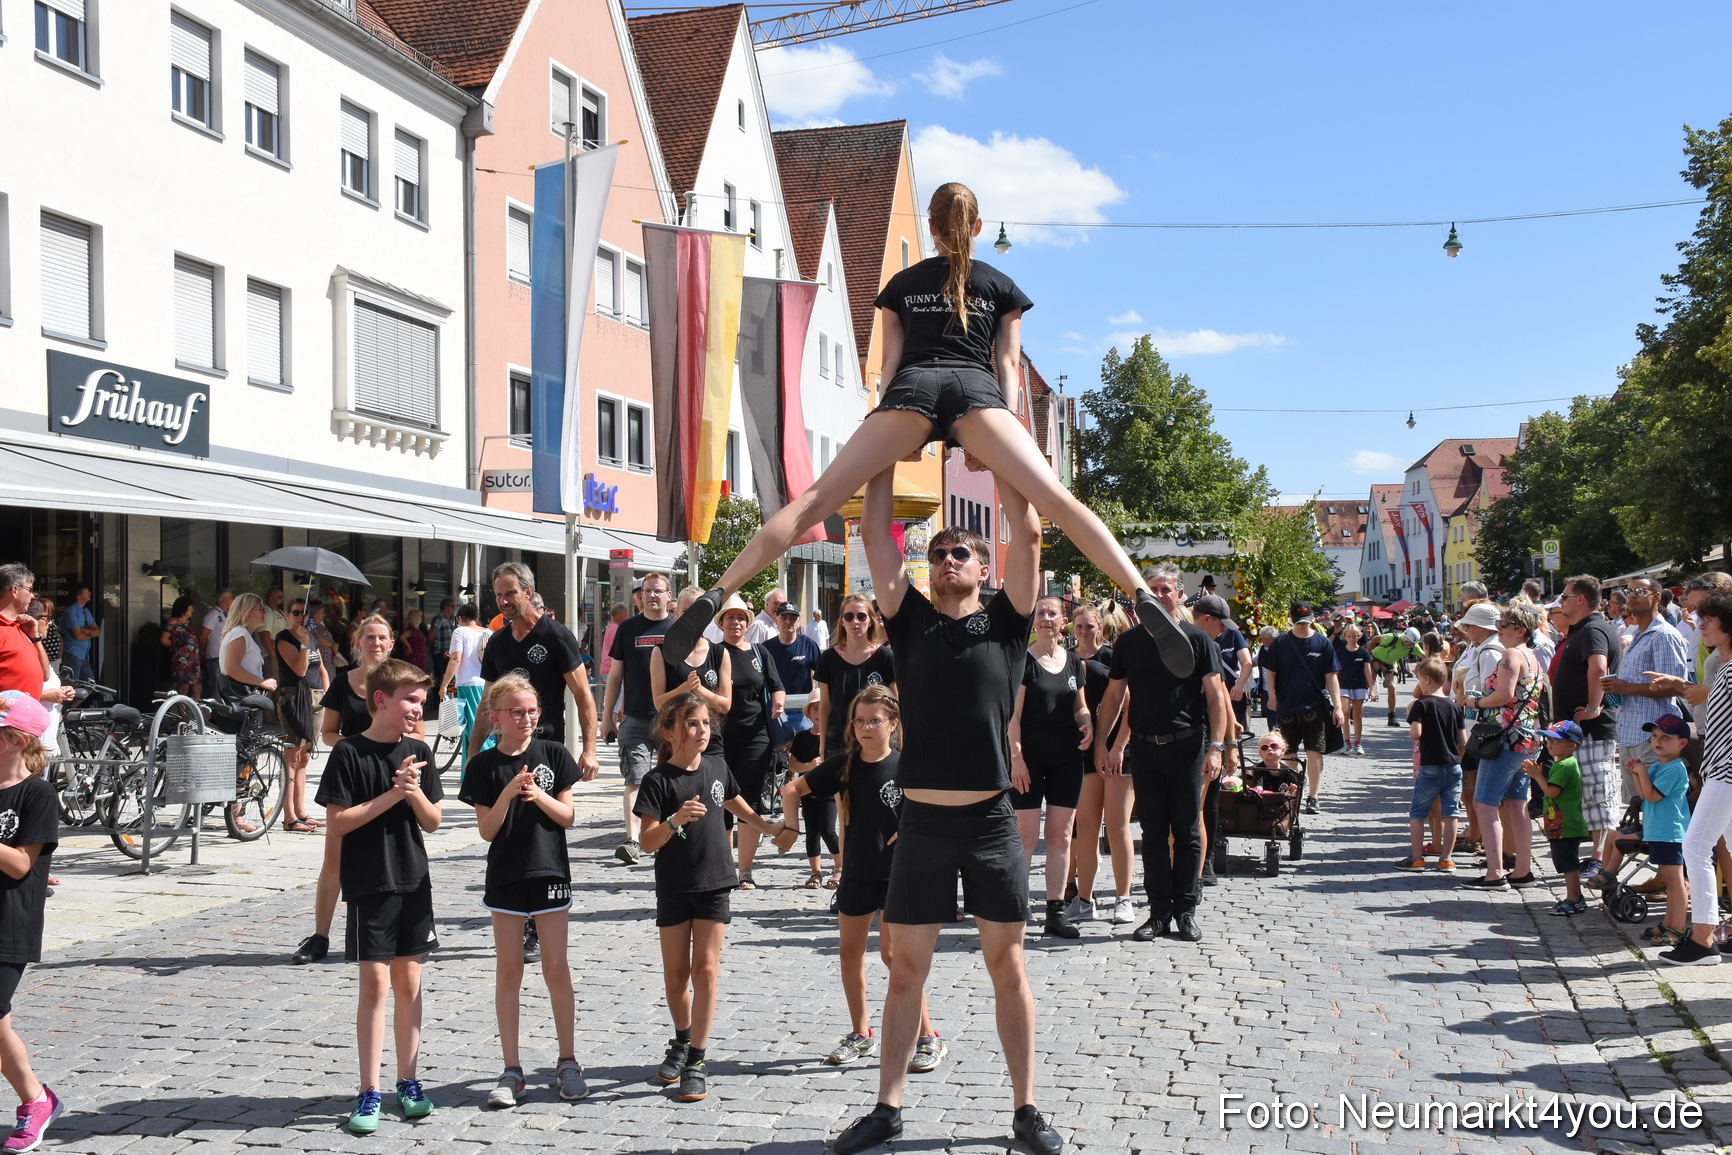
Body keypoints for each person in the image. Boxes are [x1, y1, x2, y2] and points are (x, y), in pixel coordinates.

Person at [659, 181, 1193, 689]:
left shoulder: (901, 286)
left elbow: (889, 365)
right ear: (978, 227)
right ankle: (1140, 593)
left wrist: (884, 428)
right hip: (976, 392)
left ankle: (717, 593)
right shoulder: (1000, 286)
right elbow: (1008, 365)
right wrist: (1002, 430)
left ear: (930, 228)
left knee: (813, 502)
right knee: (1057, 501)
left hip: (910, 390)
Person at [829, 467, 1062, 1155]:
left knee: (1007, 966)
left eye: (961, 552)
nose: (948, 560)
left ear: (984, 568)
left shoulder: (1009, 623)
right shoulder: (910, 622)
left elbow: (1030, 533)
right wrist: (884, 458)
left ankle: (1025, 1109)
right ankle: (887, 1108)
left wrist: (1004, 464)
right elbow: (877, 535)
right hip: (923, 825)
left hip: (991, 821)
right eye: (937, 553)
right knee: (905, 970)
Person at [780, 685, 945, 1070]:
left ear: (893, 723)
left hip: (897, 874)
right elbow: (792, 789)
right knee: (849, 952)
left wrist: (912, 828)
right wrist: (789, 827)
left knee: (894, 955)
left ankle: (928, 1036)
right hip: (855, 873)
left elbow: (937, 808)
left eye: (875, 720)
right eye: (859, 721)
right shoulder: (843, 765)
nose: (866, 728)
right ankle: (861, 1032)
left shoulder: (908, 765)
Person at [635, 692, 787, 1103]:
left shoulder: (718, 766)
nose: (701, 730)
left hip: (716, 880)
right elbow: (646, 842)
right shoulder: (658, 781)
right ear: (669, 732)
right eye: (691, 723)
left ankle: (697, 1060)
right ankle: (682, 1039)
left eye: (705, 723)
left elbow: (736, 802)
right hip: (674, 885)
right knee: (675, 976)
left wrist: (767, 827)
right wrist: (674, 820)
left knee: (705, 970)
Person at [313, 660, 442, 1134]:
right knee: (375, 985)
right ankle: (369, 1090)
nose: (418, 709)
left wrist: (413, 792)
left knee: (409, 984)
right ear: (381, 699)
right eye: (410, 700)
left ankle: (408, 1080)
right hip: (369, 881)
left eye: (422, 702)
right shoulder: (349, 752)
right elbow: (338, 823)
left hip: (413, 879)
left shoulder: (419, 750)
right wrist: (392, 794)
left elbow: (433, 821)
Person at [459, 673, 589, 1107]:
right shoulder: (483, 766)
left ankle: (568, 1061)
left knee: (556, 967)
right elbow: (486, 829)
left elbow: (567, 817)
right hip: (506, 874)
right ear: (496, 717)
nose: (527, 718)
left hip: (550, 870)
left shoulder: (553, 753)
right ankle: (512, 1069)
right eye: (516, 711)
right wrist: (509, 794)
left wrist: (538, 795)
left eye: (532, 711)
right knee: (509, 968)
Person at [1093, 563, 1226, 945]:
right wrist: (1102, 743)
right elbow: (1114, 696)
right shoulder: (1129, 642)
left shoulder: (1197, 639)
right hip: (1145, 748)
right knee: (1151, 834)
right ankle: (1158, 913)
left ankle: (1186, 911)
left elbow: (1216, 698)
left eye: (1167, 589)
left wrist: (1217, 747)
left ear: (1180, 595)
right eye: (1153, 589)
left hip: (1187, 747)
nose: (1160, 595)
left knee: (1186, 832)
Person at [292, 615, 425, 967]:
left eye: (382, 637)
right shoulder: (344, 682)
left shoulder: (406, 681)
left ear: (392, 643)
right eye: (369, 637)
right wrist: (357, 748)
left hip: (394, 774)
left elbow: (419, 734)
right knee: (334, 858)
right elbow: (328, 733)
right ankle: (320, 935)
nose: (376, 643)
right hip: (352, 774)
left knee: (393, 853)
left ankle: (394, 932)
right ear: (357, 642)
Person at [1654, 591, 1732, 965]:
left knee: (1696, 846)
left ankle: (1702, 939)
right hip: (1720, 769)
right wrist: (1681, 686)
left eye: (1708, 620)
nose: (1700, 626)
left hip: (1726, 772)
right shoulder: (1725, 667)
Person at [0, 692, 63, 1153]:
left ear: (16, 740)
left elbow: (22, 864)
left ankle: (36, 1100)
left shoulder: (37, 794)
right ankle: (37, 1100)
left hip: (9, 923)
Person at [1008, 596, 1092, 938]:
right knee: (1026, 837)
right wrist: (1016, 759)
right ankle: (1016, 908)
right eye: (1040, 612)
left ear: (1063, 622)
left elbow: (1080, 707)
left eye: (1052, 613)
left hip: (1067, 759)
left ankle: (1055, 910)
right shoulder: (1023, 661)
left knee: (1060, 834)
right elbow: (1012, 717)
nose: (1045, 618)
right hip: (1029, 761)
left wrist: (1087, 723)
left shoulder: (1073, 662)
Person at [473, 563, 599, 777]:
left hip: (546, 747)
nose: (503, 601)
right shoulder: (497, 642)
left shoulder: (557, 636)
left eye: (510, 593)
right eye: (499, 595)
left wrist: (590, 751)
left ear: (528, 591)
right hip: (506, 750)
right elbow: (487, 701)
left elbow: (583, 694)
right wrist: (473, 752)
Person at [812, 594, 898, 887]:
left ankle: (885, 874)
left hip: (880, 744)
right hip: (841, 742)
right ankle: (846, 873)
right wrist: (822, 747)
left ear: (871, 620)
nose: (855, 622)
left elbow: (897, 703)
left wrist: (901, 741)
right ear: (842, 621)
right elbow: (825, 705)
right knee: (846, 812)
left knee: (882, 809)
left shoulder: (885, 657)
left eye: (862, 616)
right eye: (849, 616)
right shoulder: (829, 657)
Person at [1460, 604, 1543, 891]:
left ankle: (1495, 873)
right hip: (1526, 739)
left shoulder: (1511, 655)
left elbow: (1504, 695)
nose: (1498, 629)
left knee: (1484, 804)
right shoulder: (1532, 656)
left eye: (1503, 624)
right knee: (1517, 805)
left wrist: (1476, 702)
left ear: (1520, 630)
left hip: (1505, 739)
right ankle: (1523, 871)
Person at [1068, 601, 1136, 926]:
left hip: (1117, 749)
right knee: (1086, 827)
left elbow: (1129, 705)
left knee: (1118, 824)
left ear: (1100, 627)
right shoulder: (1066, 658)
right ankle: (1084, 899)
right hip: (1083, 751)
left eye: (1089, 626)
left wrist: (1117, 746)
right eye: (1079, 626)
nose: (1084, 631)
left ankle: (1123, 898)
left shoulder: (1111, 656)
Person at [1599, 577, 1688, 822]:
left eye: (1640, 591)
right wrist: (1616, 689)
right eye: (1629, 591)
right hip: (1630, 732)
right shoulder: (1637, 633)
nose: (1632, 595)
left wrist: (1626, 687)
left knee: (1656, 806)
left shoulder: (1663, 635)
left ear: (1656, 597)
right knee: (1637, 807)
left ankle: (1661, 847)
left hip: (1654, 736)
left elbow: (1676, 687)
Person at [601, 572, 673, 864]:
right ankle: (632, 841)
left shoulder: (678, 628)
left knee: (671, 779)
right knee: (635, 779)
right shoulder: (628, 628)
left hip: (671, 718)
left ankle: (669, 836)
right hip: (635, 717)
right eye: (647, 591)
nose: (652, 595)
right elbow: (615, 675)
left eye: (658, 591)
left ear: (668, 595)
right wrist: (607, 716)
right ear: (640, 596)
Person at [1551, 575, 1624, 863]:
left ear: (1580, 599)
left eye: (1565, 596)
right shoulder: (1583, 629)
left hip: (1592, 729)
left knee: (1598, 792)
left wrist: (1594, 706)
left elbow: (1599, 667)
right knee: (1589, 793)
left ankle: (1600, 859)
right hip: (1580, 730)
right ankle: (1597, 857)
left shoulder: (1593, 629)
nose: (1561, 602)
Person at [715, 596, 785, 888]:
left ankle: (745, 870)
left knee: (749, 799)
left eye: (741, 618)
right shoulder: (714, 653)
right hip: (719, 737)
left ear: (748, 623)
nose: (736, 622)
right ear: (721, 623)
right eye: (730, 617)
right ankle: (722, 870)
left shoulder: (759, 652)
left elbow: (777, 686)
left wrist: (778, 703)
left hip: (756, 736)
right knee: (720, 801)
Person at [1616, 714, 1691, 945]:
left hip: (1671, 833)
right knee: (1669, 881)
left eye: (1665, 737)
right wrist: (1637, 773)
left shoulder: (1675, 768)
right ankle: (1668, 924)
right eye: (1654, 736)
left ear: (1682, 743)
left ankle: (1677, 928)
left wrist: (1642, 771)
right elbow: (1643, 795)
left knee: (1675, 882)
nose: (1657, 741)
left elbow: (1652, 796)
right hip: (1659, 831)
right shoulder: (1660, 765)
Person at [1261, 603, 1342, 814]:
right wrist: (1272, 695)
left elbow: (1331, 676)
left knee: (1314, 752)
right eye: (1298, 622)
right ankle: (1296, 784)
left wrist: (1338, 707)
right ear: (1291, 620)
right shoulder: (1281, 642)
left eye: (1305, 622)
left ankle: (1313, 797)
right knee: (1289, 754)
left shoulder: (1323, 643)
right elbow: (1270, 671)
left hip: (1314, 706)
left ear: (1313, 618)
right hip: (1286, 706)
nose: (1301, 626)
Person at [1398, 658, 1464, 872]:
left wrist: (1415, 729)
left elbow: (1415, 733)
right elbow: (1463, 739)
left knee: (1417, 813)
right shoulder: (1454, 707)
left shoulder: (1421, 705)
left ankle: (1417, 858)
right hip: (1453, 766)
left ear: (1427, 679)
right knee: (1451, 813)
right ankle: (1447, 859)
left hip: (1430, 766)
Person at [1522, 721, 1589, 917]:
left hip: (1565, 824)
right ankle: (1575, 897)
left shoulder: (1564, 765)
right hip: (1563, 823)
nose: (1550, 744)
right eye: (1549, 740)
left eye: (1556, 741)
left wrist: (1536, 776)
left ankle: (1573, 899)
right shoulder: (1565, 763)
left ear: (1572, 745)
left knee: (1568, 864)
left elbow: (1552, 791)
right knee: (1568, 862)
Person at [276, 598, 320, 834]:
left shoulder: (311, 638)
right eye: (296, 612)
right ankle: (289, 816)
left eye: (305, 613)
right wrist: (303, 644)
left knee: (304, 758)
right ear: (287, 614)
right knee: (291, 758)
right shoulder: (284, 638)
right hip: (295, 698)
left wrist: (327, 695)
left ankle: (301, 811)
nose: (301, 617)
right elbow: (299, 670)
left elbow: (320, 668)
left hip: (315, 698)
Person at [441, 605, 490, 758]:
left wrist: (444, 684)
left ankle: (485, 764)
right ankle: (468, 768)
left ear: (459, 618)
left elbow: (456, 659)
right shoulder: (489, 632)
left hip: (468, 683)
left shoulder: (460, 631)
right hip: (487, 683)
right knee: (476, 728)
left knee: (475, 729)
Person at [0, 568, 44, 702]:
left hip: (30, 713)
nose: (32, 596)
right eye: (29, 590)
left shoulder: (22, 626)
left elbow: (46, 674)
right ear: (14, 590)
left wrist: (35, 638)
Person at [1334, 624, 1375, 755]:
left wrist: (1372, 689)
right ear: (1345, 637)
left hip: (1359, 685)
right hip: (1343, 684)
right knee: (1345, 712)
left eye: (1355, 636)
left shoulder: (1363, 652)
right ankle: (1347, 743)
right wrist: (1333, 687)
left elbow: (1368, 671)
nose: (1352, 639)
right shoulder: (1340, 652)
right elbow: (1336, 671)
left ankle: (1357, 744)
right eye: (1349, 636)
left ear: (1359, 636)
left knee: (1357, 715)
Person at [1370, 626, 1422, 727]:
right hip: (1375, 658)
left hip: (1390, 664)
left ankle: (1391, 716)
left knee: (1392, 687)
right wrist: (1367, 655)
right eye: (1411, 643)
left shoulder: (1414, 646)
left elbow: (1425, 657)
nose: (1412, 646)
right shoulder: (1392, 637)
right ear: (1405, 640)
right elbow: (1375, 639)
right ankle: (1353, 710)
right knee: (1367, 683)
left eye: (1413, 644)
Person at [158, 595, 201, 700]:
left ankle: (196, 709)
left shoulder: (187, 623)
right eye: (190, 608)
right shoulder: (173, 623)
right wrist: (177, 647)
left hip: (194, 661)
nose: (192, 610)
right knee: (184, 688)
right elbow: (164, 639)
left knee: (197, 687)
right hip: (182, 661)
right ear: (183, 609)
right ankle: (182, 711)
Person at [59, 586, 98, 682]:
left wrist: (85, 631)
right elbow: (78, 636)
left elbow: (97, 631)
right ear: (79, 595)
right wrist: (90, 633)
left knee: (90, 684)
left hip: (84, 655)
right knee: (71, 684)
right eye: (87, 591)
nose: (90, 593)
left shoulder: (86, 611)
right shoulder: (71, 611)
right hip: (72, 653)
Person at [427, 599, 457, 696]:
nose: (454, 609)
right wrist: (432, 648)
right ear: (445, 606)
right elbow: (431, 634)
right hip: (440, 653)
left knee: (450, 677)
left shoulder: (449, 620)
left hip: (448, 654)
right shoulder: (439, 618)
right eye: (452, 606)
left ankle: (449, 699)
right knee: (440, 678)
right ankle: (438, 700)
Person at [597, 603, 628, 682]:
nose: (628, 616)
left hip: (610, 670)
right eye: (626, 613)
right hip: (612, 670)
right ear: (621, 614)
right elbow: (618, 651)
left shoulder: (614, 627)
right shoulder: (615, 630)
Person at [400, 609, 430, 673]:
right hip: (415, 656)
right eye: (420, 616)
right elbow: (402, 637)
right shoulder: (412, 630)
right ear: (415, 618)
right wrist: (409, 647)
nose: (421, 618)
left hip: (420, 656)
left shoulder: (416, 630)